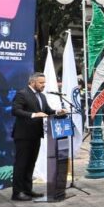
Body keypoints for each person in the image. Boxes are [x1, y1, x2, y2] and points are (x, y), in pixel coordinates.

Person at [10, 72, 65, 200]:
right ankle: (17, 193)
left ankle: (27, 190)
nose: (43, 85)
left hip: (36, 134)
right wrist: (34, 115)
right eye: (41, 83)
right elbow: (15, 110)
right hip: (23, 135)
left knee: (30, 164)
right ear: (32, 82)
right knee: (21, 164)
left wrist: (58, 111)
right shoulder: (22, 94)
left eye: (44, 83)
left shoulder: (42, 96)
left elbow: (47, 111)